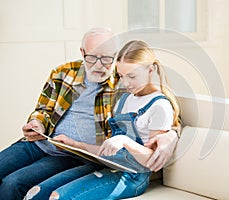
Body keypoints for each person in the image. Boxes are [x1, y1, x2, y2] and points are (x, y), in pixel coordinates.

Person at [0, 28, 179, 199]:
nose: (99, 65)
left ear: (115, 56)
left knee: (12, 183)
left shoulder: (125, 83)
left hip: (72, 155)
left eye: (107, 58)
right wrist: (37, 123)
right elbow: (43, 110)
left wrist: (172, 136)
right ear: (82, 52)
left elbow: (161, 112)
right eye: (92, 57)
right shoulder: (64, 72)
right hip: (40, 142)